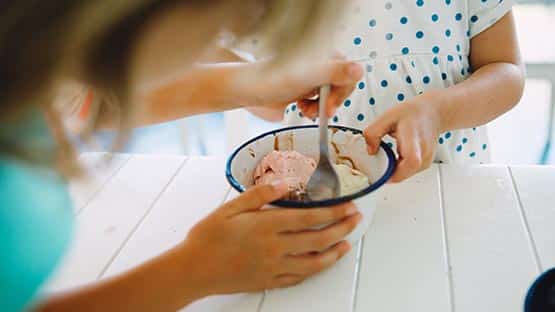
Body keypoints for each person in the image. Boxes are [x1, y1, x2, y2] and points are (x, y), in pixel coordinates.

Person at [0, 1, 365, 311]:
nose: (228, 36)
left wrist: (250, 83)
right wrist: (195, 272)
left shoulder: (27, 65)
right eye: (230, 20)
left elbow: (75, 101)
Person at [233, 0, 525, 182]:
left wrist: (440, 111)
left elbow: (506, 71)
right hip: (313, 192)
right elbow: (268, 102)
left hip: (448, 183)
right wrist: (273, 85)